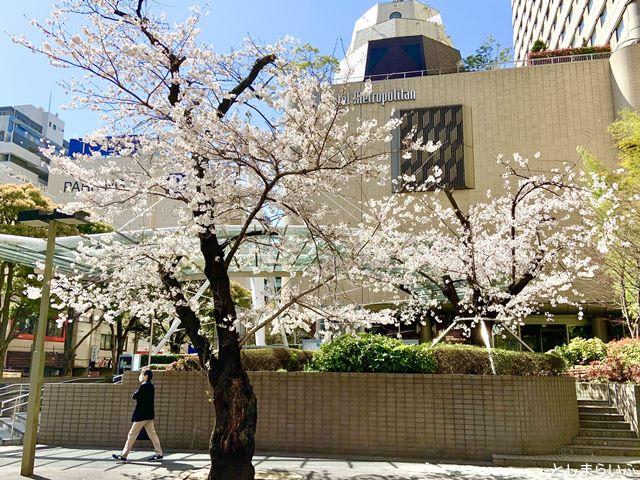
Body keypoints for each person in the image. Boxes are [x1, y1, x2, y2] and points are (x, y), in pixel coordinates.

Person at [112, 369, 164, 462]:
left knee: (132, 434)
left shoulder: (144, 386)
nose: (140, 376)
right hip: (149, 415)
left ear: (146, 376)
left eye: (142, 374)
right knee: (153, 435)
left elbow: (134, 396)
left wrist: (137, 392)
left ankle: (123, 455)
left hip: (141, 415)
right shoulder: (151, 386)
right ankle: (159, 453)